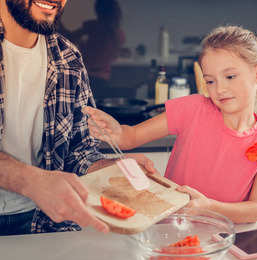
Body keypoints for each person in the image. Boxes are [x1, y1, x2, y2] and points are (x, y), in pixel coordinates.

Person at [85, 25, 257, 223]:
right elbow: (132, 137)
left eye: (230, 76)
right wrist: (116, 131)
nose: (219, 89)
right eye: (210, 81)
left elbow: (256, 209)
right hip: (171, 225)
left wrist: (208, 206)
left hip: (224, 236)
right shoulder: (192, 109)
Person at [0, 0, 155, 235]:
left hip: (43, 220)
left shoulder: (68, 58)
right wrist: (32, 181)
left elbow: (78, 151)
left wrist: (109, 170)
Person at [62, 0, 131, 100]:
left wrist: (60, 24)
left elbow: (70, 38)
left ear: (98, 12)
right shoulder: (120, 35)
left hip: (85, 76)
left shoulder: (93, 26)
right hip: (103, 80)